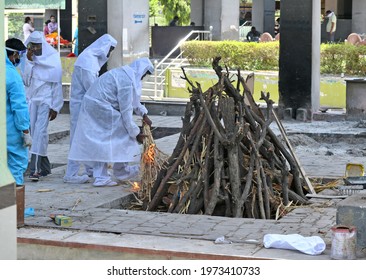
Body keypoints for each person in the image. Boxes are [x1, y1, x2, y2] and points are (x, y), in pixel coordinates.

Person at [68, 58, 154, 187]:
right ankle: (106, 176)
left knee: (104, 140)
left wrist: (143, 114)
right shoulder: (126, 80)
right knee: (116, 136)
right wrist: (135, 133)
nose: (143, 77)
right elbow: (126, 110)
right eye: (144, 74)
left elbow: (134, 101)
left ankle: (119, 171)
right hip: (100, 107)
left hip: (96, 106)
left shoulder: (126, 75)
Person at [63, 34, 117, 184]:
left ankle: (91, 170)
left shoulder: (90, 59)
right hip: (82, 106)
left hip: (85, 106)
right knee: (78, 140)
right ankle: (71, 174)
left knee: (86, 138)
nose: (109, 53)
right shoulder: (88, 61)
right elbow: (92, 88)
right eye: (110, 49)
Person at [21, 31, 63, 181]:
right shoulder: (27, 59)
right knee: (34, 134)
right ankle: (44, 167)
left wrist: (56, 106)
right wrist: (29, 61)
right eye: (33, 46)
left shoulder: (52, 58)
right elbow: (25, 81)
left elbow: (56, 84)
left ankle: (35, 169)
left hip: (46, 101)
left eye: (38, 46)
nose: (36, 49)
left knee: (39, 133)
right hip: (31, 101)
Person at [5, 38, 32, 186]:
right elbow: (19, 106)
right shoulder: (12, 75)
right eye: (18, 55)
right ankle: (13, 208)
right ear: (14, 54)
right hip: (11, 132)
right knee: (16, 167)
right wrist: (25, 132)